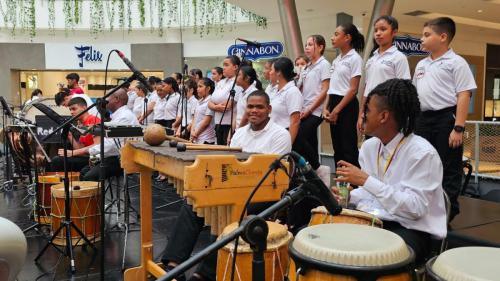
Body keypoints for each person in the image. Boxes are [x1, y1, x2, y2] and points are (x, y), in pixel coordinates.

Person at [161, 91, 291, 281]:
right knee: (193, 203)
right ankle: (173, 265)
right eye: (251, 106)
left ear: (269, 109)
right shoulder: (239, 133)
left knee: (229, 214)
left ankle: (203, 274)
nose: (254, 111)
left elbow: (272, 177)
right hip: (233, 188)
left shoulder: (280, 135)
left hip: (264, 195)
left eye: (259, 107)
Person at [335, 79, 447, 264]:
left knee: (367, 259)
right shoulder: (369, 147)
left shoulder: (422, 154)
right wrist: (348, 197)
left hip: (412, 229)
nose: (362, 116)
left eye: (367, 111)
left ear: (383, 116)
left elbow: (415, 209)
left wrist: (366, 180)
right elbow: (371, 195)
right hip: (376, 221)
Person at [413, 17, 476, 221]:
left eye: (426, 35)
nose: (422, 39)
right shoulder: (421, 64)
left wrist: (458, 128)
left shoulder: (457, 63)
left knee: (448, 165)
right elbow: (415, 94)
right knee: (423, 163)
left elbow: (464, 95)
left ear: (443, 37)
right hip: (423, 119)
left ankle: (448, 211)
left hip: (446, 119)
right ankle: (424, 207)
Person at [357, 15, 411, 132]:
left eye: (383, 29)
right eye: (376, 30)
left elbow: (404, 88)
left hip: (389, 111)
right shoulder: (372, 59)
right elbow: (367, 88)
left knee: (387, 147)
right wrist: (362, 113)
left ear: (394, 32)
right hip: (371, 110)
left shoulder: (399, 57)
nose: (378, 33)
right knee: (371, 144)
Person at [324, 23, 364, 169]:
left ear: (347, 37)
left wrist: (337, 110)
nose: (332, 37)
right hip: (334, 102)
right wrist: (326, 108)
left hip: (346, 105)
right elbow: (331, 88)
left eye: (336, 34)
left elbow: (353, 90)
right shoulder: (336, 60)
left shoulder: (355, 59)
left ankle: (353, 187)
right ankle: (340, 185)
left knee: (348, 148)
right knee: (337, 148)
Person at [80, 88, 139, 181]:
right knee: (84, 171)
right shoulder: (118, 115)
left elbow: (111, 145)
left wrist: (81, 152)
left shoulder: (124, 117)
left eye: (107, 97)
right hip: (114, 156)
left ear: (116, 99)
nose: (105, 100)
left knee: (89, 177)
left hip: (121, 158)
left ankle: (96, 195)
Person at [295, 34, 331, 184]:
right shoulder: (308, 66)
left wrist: (310, 109)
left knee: (298, 137)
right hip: (304, 109)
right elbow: (301, 88)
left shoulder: (324, 64)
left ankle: (318, 168)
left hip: (315, 111)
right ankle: (313, 177)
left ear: (321, 47)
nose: (307, 47)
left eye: (311, 44)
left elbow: (325, 90)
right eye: (306, 44)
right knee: (310, 142)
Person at [46, 97, 100, 172]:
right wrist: (70, 136)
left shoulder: (93, 120)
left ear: (84, 108)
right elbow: (80, 148)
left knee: (57, 161)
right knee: (54, 160)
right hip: (87, 157)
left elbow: (98, 145)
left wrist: (73, 153)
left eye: (74, 109)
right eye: (70, 110)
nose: (71, 112)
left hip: (95, 159)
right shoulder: (81, 124)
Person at [208, 55, 243, 145]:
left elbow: (228, 105)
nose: (223, 68)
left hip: (229, 124)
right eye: (223, 65)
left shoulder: (237, 82)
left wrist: (214, 105)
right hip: (218, 122)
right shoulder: (221, 82)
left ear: (235, 67)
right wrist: (216, 106)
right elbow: (209, 102)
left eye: (226, 65)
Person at [268, 57, 302, 143]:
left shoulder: (292, 91)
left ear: (279, 72)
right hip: (273, 134)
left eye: (271, 70)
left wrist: (288, 144)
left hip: (285, 135)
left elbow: (295, 121)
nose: (270, 72)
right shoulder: (276, 90)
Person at [190, 78, 216, 144]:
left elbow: (206, 121)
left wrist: (196, 133)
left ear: (208, 88)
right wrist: (192, 131)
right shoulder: (199, 101)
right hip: (196, 137)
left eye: (200, 86)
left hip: (206, 139)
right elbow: (194, 118)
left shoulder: (211, 100)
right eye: (197, 86)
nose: (197, 89)